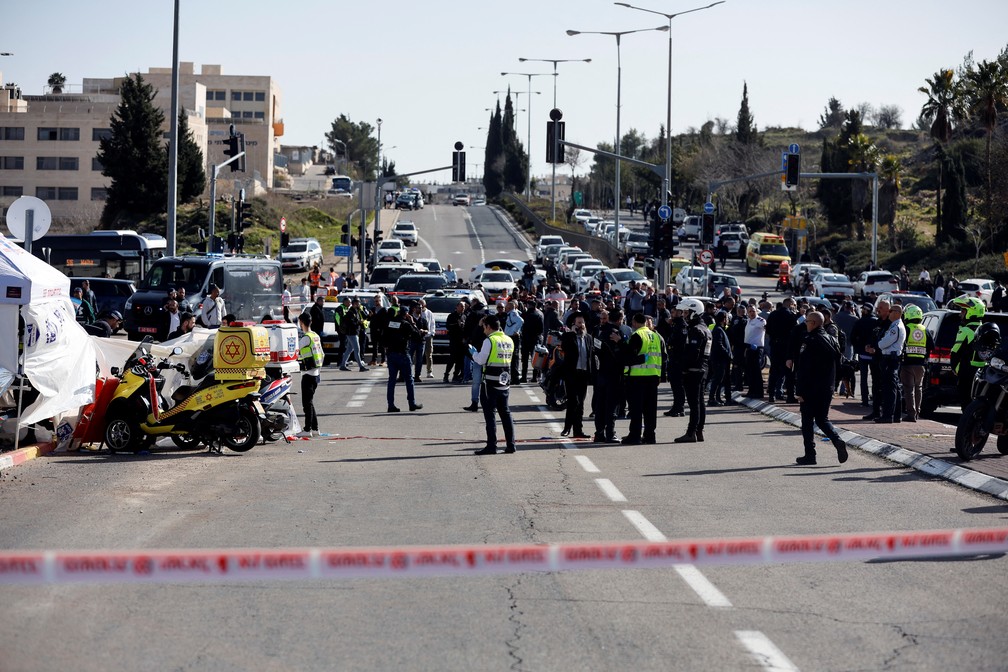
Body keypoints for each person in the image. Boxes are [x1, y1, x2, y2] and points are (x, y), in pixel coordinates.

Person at [794, 311, 848, 465]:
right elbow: (839, 364)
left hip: (811, 387)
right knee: (822, 419)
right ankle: (837, 440)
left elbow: (804, 368)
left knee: (807, 420)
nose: (806, 324)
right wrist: (834, 384)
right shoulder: (832, 339)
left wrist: (800, 391)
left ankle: (810, 454)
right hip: (827, 386)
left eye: (807, 322)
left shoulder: (809, 340)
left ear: (814, 323)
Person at [472, 314, 517, 455]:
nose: (483, 329)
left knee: (490, 415)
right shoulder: (509, 339)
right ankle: (511, 444)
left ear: (489, 327)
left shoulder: (489, 341)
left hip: (490, 382)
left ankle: (492, 445)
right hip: (504, 381)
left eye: (484, 326)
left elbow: (480, 360)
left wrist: (473, 353)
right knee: (505, 413)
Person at [618, 312, 663, 444]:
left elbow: (628, 355)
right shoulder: (655, 335)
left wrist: (620, 342)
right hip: (653, 376)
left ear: (635, 322)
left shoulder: (637, 335)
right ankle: (650, 436)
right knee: (650, 409)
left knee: (636, 409)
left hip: (637, 377)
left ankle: (635, 436)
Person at [674, 298, 711, 443]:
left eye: (686, 312)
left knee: (694, 403)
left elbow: (692, 353)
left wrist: (683, 368)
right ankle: (698, 431)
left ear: (694, 312)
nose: (684, 315)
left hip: (694, 370)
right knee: (699, 402)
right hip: (703, 369)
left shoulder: (696, 330)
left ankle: (691, 433)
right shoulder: (705, 328)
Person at [382, 302, 423, 413]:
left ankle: (391, 405)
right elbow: (417, 335)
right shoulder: (405, 324)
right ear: (406, 314)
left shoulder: (391, 323)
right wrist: (413, 322)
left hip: (391, 354)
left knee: (391, 380)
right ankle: (412, 403)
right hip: (403, 354)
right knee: (409, 380)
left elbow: (384, 337)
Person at [592, 309, 625, 443]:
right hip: (613, 373)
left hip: (602, 373)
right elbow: (619, 354)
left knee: (601, 405)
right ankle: (610, 433)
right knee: (612, 405)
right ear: (619, 319)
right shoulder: (615, 332)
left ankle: (599, 433)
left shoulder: (600, 332)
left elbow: (596, 351)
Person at [558, 313, 593, 439]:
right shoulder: (569, 337)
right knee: (573, 401)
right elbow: (564, 347)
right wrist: (571, 333)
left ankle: (578, 430)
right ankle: (567, 428)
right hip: (572, 373)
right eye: (579, 323)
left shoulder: (588, 338)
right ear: (574, 324)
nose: (581, 325)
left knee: (581, 403)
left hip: (583, 374)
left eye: (582, 322)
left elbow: (591, 356)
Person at [949, 296, 986, 412]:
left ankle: (966, 428)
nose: (960, 314)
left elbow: (955, 352)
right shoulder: (984, 329)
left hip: (967, 371)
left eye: (963, 311)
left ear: (971, 312)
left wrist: (955, 368)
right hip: (983, 372)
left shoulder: (965, 330)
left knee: (966, 403)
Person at [870, 303, 905, 424]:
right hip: (890, 358)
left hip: (890, 359)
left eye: (891, 311)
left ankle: (887, 415)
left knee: (889, 389)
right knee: (894, 388)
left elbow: (882, 344)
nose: (889, 313)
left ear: (897, 313)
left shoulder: (896, 328)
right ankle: (895, 415)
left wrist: (880, 343)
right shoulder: (894, 325)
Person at [900, 304, 931, 422]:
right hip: (921, 364)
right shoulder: (925, 329)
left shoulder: (906, 328)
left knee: (909, 390)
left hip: (908, 363)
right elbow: (931, 346)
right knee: (918, 388)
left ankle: (911, 414)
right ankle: (917, 412)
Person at [295, 312, 324, 438]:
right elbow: (322, 354)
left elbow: (295, 351)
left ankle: (307, 429)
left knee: (306, 403)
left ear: (301, 322)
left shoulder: (305, 338)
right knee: (310, 402)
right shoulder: (315, 336)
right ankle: (315, 428)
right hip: (316, 373)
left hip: (308, 374)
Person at [708, 310, 732, 406]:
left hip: (721, 360)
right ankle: (711, 398)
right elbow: (718, 344)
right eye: (726, 318)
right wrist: (727, 353)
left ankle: (717, 398)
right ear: (723, 319)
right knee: (717, 379)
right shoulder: (718, 330)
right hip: (719, 360)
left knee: (720, 379)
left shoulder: (720, 329)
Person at [339, 298, 369, 372]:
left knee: (349, 349)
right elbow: (352, 323)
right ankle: (361, 367)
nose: (359, 304)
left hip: (354, 333)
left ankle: (342, 365)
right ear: (354, 304)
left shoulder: (356, 311)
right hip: (352, 333)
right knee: (357, 349)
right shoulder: (351, 312)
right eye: (358, 303)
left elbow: (365, 317)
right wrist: (359, 322)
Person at [743, 304, 766, 398]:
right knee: (749, 371)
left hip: (757, 349)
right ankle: (751, 391)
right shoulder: (748, 321)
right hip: (749, 348)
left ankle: (759, 392)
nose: (752, 313)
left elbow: (765, 327)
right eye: (750, 311)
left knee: (756, 371)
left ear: (756, 311)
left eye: (753, 311)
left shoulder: (760, 320)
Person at [520, 300, 544, 383]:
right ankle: (535, 377)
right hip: (536, 339)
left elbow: (521, 327)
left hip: (526, 339)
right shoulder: (539, 314)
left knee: (525, 359)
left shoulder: (524, 315)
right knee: (535, 359)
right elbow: (541, 329)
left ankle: (523, 377)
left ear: (528, 305)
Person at [444, 301, 467, 383]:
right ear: (457, 307)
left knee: (460, 360)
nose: (463, 308)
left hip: (462, 341)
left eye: (464, 306)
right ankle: (446, 375)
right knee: (452, 359)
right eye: (461, 306)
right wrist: (457, 324)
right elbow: (448, 326)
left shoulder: (464, 316)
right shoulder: (451, 316)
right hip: (454, 340)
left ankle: (456, 375)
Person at [503, 300, 524, 382]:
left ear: (509, 307)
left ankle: (515, 378)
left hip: (512, 337)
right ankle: (514, 377)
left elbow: (520, 321)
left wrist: (515, 331)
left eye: (506, 307)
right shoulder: (511, 314)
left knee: (513, 358)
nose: (505, 308)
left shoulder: (513, 313)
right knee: (512, 357)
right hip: (510, 337)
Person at [419, 298, 436, 378]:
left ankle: (429, 371)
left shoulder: (429, 313)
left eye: (422, 304)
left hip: (428, 336)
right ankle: (416, 371)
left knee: (429, 354)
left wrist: (432, 333)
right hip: (419, 336)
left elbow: (432, 323)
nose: (420, 306)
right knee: (417, 355)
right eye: (419, 304)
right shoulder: (417, 313)